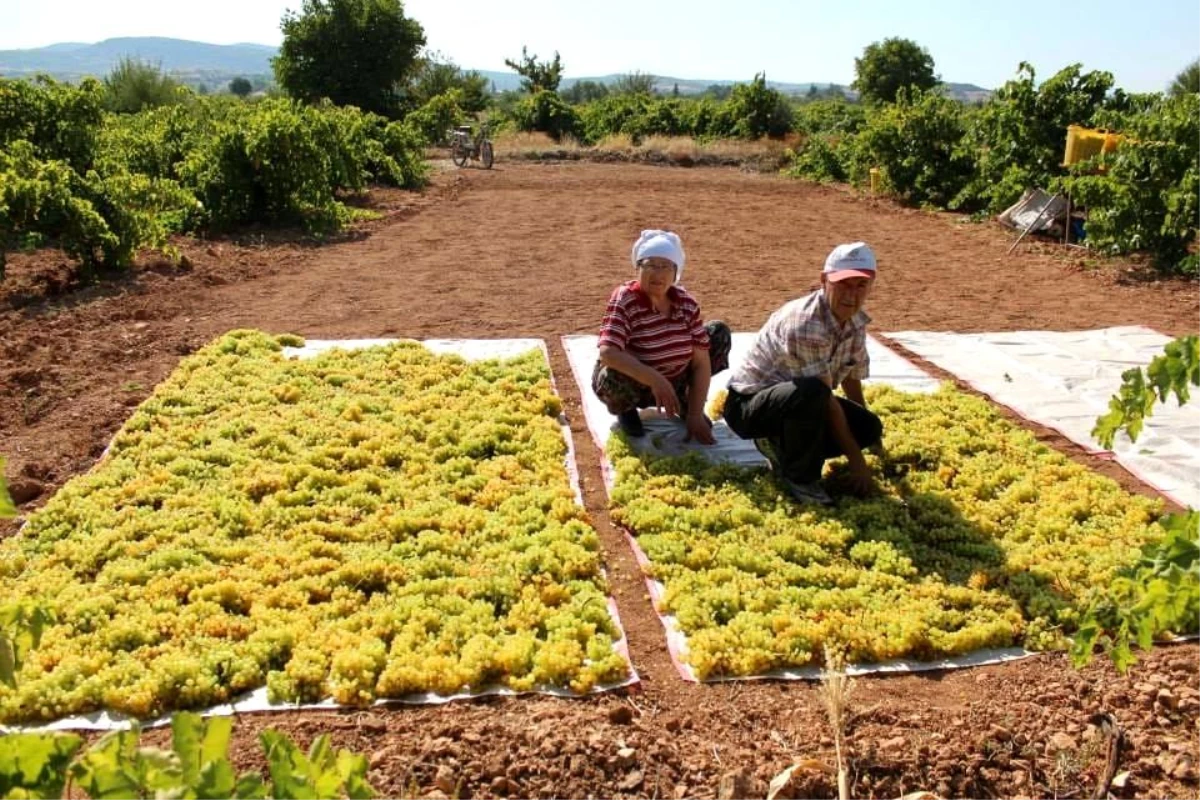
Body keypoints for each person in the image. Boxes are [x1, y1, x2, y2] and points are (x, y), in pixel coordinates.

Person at [723, 242, 884, 505]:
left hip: (794, 401)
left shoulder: (855, 321)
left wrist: (868, 438)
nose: (851, 295)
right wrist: (856, 459)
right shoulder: (805, 324)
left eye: (860, 286)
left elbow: (852, 376)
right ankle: (801, 478)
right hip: (749, 407)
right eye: (843, 284)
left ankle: (782, 445)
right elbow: (822, 396)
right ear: (824, 281)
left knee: (868, 427)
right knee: (813, 393)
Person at [592, 229, 731, 444]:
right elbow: (608, 353)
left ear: (676, 273)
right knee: (611, 376)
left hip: (675, 378)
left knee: (718, 332)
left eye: (665, 266)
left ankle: (684, 400)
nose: (657, 273)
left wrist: (695, 415)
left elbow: (701, 363)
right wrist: (655, 379)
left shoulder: (686, 304)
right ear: (637, 269)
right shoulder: (625, 299)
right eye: (650, 265)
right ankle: (626, 409)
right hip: (638, 383)